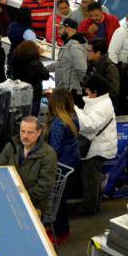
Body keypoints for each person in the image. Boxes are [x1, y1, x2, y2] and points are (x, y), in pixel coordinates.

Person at [0, 116, 59, 215]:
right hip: (8, 195)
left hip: (33, 203)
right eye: (23, 131)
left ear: (39, 132)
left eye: (30, 132)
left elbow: (44, 188)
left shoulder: (48, 154)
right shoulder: (11, 146)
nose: (25, 136)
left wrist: (18, 196)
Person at [76, 75, 116, 215]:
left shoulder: (103, 105)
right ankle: (94, 204)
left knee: (90, 179)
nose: (86, 92)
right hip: (98, 145)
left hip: (97, 149)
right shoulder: (97, 102)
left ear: (96, 91)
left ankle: (90, 207)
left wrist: (75, 109)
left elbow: (89, 125)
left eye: (88, 89)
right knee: (93, 178)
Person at [45, 94, 81, 244]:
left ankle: (58, 232)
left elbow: (55, 149)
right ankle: (63, 231)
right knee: (61, 199)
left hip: (61, 166)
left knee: (56, 201)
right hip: (71, 163)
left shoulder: (58, 124)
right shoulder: (72, 118)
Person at [9, 37, 50, 116]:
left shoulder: (15, 60)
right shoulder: (34, 62)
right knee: (31, 119)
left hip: (18, 92)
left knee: (19, 117)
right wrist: (39, 57)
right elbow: (45, 75)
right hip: (33, 94)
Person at [52, 19, 89, 100]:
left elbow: (82, 70)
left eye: (60, 28)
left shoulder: (74, 46)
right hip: (65, 90)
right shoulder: (67, 44)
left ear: (68, 29)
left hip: (71, 92)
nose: (58, 31)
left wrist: (78, 87)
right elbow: (62, 63)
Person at [86, 38, 120, 105]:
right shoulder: (92, 64)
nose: (86, 53)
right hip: (93, 101)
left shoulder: (110, 68)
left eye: (89, 51)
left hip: (104, 106)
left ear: (98, 53)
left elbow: (113, 92)